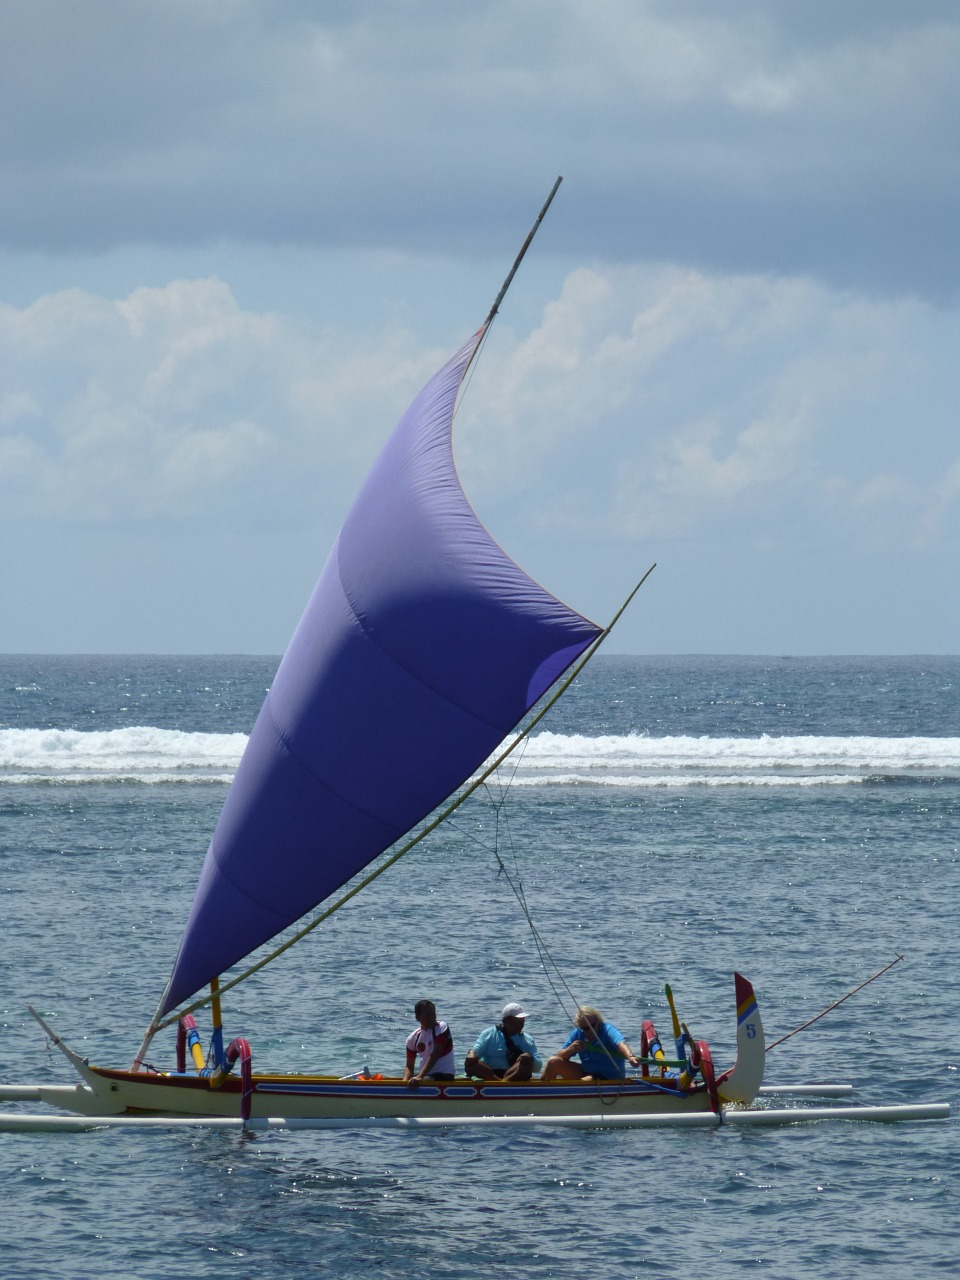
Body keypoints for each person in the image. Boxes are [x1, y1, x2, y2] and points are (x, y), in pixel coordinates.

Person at [540, 1005, 640, 1082]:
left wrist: (630, 1056)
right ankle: (541, 1095)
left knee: (586, 1080)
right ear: (580, 1026)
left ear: (598, 1020)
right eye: (586, 1028)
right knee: (552, 1062)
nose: (590, 1030)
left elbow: (620, 1043)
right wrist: (570, 1049)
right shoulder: (579, 1033)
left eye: (592, 1025)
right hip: (586, 1072)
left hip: (609, 1077)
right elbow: (560, 1056)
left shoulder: (607, 1030)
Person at [465, 1002, 541, 1081]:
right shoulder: (489, 1034)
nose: (522, 1023)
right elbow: (476, 1051)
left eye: (523, 1019)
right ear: (506, 1020)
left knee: (527, 1060)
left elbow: (538, 1067)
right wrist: (472, 1053)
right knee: (470, 1061)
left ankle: (503, 1084)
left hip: (516, 1075)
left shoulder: (528, 1039)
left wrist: (527, 1057)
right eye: (518, 1020)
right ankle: (500, 1083)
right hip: (491, 1075)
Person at [403, 999, 456, 1089]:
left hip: (444, 1076)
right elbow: (409, 1066)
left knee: (420, 1079)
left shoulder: (442, 1027)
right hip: (425, 1076)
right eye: (427, 1015)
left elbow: (435, 1054)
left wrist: (419, 1076)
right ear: (417, 1018)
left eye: (433, 1014)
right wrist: (403, 1084)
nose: (432, 1018)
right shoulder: (412, 1038)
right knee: (409, 1082)